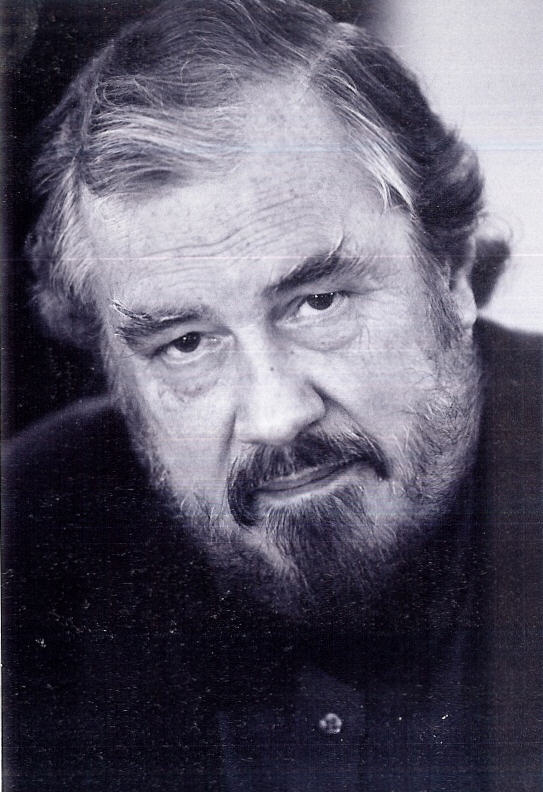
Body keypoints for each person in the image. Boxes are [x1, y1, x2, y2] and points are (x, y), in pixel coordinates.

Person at [3, 1, 541, 790]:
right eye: (186, 344)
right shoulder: (29, 544)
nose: (275, 415)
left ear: (451, 271)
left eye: (317, 303)